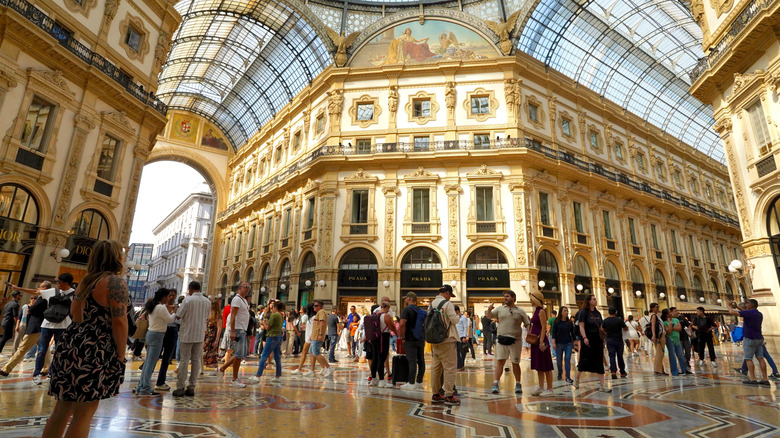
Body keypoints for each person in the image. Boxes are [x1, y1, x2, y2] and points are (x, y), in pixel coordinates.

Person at [42, 240, 129, 438]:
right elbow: (120, 322)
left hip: (71, 343)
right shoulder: (115, 282)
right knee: (84, 413)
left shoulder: (86, 282)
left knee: (61, 410)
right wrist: (120, 356)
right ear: (116, 258)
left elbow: (75, 315)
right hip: (95, 349)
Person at [11, 273, 76, 385]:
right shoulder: (53, 292)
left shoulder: (75, 294)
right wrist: (18, 288)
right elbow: (35, 292)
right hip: (46, 325)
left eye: (59, 282)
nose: (57, 284)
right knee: (41, 350)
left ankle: (51, 372)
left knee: (59, 352)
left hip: (63, 326)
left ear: (66, 283)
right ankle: (37, 375)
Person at [0, 282, 50, 377]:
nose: (38, 289)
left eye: (40, 287)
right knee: (44, 348)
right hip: (40, 327)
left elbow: (33, 309)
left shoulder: (44, 298)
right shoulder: (45, 298)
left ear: (45, 288)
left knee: (22, 348)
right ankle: (47, 367)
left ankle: (6, 369)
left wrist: (30, 309)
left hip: (35, 327)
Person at [487, 290, 530, 395]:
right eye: (504, 296)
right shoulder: (500, 309)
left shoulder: (520, 311)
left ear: (513, 298)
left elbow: (527, 323)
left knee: (515, 362)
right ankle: (495, 383)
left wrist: (528, 334)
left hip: (515, 341)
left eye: (507, 296)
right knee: (500, 361)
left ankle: (518, 384)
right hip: (502, 339)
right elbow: (489, 316)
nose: (505, 298)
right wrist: (489, 309)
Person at [135, 288, 176, 396]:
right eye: (168, 296)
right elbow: (170, 320)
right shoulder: (161, 307)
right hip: (157, 335)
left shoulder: (153, 305)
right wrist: (174, 313)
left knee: (148, 362)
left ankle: (141, 386)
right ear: (163, 297)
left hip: (150, 333)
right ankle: (145, 389)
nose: (168, 298)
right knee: (150, 363)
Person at [173, 281, 210, 397]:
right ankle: (192, 387)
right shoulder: (207, 301)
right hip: (199, 334)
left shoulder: (187, 300)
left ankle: (180, 387)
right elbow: (207, 317)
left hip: (187, 334)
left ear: (190, 289)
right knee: (196, 360)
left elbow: (178, 315)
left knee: (184, 360)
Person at [429, 285, 460, 405]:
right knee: (449, 368)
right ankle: (449, 395)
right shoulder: (447, 304)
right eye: (450, 295)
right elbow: (455, 320)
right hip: (447, 340)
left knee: (436, 368)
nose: (450, 298)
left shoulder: (431, 304)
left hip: (435, 341)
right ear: (446, 293)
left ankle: (436, 394)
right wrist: (457, 314)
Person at [729, 299, 770, 385]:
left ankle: (753, 379)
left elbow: (732, 312)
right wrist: (737, 306)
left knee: (748, 359)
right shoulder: (759, 314)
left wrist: (728, 305)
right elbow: (745, 312)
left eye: (747, 303)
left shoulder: (749, 313)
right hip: (759, 338)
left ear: (751, 305)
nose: (746, 304)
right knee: (760, 358)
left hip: (749, 338)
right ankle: (765, 379)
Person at [575, 294, 611, 392]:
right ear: (589, 301)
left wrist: (603, 339)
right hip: (588, 339)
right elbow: (581, 326)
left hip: (597, 339)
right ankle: (577, 377)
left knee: (599, 360)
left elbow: (600, 327)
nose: (596, 300)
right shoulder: (583, 312)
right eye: (594, 299)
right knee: (585, 359)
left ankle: (602, 385)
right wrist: (585, 337)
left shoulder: (598, 313)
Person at [218, 282, 251, 387]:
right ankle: (234, 379)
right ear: (239, 288)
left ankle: (222, 368)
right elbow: (233, 316)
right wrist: (232, 331)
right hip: (237, 329)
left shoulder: (244, 300)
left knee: (239, 355)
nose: (248, 289)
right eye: (245, 287)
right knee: (239, 355)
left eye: (249, 288)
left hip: (242, 330)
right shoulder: (236, 299)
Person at [249, 301, 285, 383]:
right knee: (277, 357)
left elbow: (268, 328)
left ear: (275, 307)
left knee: (264, 355)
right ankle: (278, 376)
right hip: (278, 336)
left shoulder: (274, 315)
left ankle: (258, 375)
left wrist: (263, 323)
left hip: (272, 337)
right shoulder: (281, 315)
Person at [529, 293, 554, 396]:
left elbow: (544, 327)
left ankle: (550, 389)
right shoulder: (536, 311)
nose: (530, 301)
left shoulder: (541, 311)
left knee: (546, 365)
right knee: (539, 365)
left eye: (531, 299)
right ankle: (540, 387)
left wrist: (541, 341)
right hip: (535, 342)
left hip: (541, 341)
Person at [154, 290, 178, 392]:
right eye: (170, 295)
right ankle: (144, 381)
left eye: (173, 295)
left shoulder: (177, 307)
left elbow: (178, 320)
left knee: (166, 359)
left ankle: (161, 381)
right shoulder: (161, 307)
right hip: (162, 331)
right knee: (155, 357)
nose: (172, 297)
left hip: (172, 331)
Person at [399, 292, 425, 390]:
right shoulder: (421, 310)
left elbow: (402, 324)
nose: (405, 300)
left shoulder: (407, 310)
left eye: (406, 299)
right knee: (421, 360)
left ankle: (411, 383)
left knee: (412, 360)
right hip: (420, 339)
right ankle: (419, 381)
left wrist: (402, 337)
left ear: (409, 299)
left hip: (410, 339)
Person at [310, 300, 334, 378]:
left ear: (320, 306)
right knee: (312, 352)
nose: (314, 307)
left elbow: (322, 323)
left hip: (317, 336)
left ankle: (328, 367)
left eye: (316, 305)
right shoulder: (319, 313)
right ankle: (322, 368)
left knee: (316, 353)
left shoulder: (321, 312)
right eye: (314, 306)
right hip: (314, 336)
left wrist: (320, 334)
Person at [602, 307, 628, 379]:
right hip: (618, 340)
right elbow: (625, 328)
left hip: (610, 340)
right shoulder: (619, 320)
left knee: (612, 356)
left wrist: (607, 333)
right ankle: (622, 372)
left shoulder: (606, 320)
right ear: (615, 312)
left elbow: (602, 329)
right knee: (620, 356)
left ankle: (613, 372)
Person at [551, 306, 574, 383]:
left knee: (567, 359)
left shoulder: (569, 322)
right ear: (561, 312)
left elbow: (573, 333)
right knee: (559, 361)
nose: (566, 312)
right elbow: (553, 333)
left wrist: (575, 342)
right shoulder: (556, 322)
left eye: (567, 311)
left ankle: (568, 376)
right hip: (559, 343)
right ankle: (560, 372)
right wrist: (553, 343)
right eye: (565, 311)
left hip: (568, 343)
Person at [666, 308, 692, 376]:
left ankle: (685, 368)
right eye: (675, 311)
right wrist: (672, 327)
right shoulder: (665, 322)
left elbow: (679, 328)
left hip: (680, 338)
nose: (677, 312)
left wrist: (671, 328)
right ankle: (675, 371)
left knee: (683, 353)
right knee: (673, 355)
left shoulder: (678, 319)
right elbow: (668, 331)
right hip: (671, 339)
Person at [203, 299, 222, 369]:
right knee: (205, 350)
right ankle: (202, 366)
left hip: (213, 336)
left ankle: (214, 367)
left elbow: (219, 329)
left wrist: (217, 340)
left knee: (212, 351)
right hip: (207, 335)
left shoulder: (218, 316)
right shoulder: (209, 315)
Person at [648, 303, 666, 375]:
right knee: (660, 353)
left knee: (660, 352)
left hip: (660, 335)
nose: (658, 308)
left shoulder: (655, 315)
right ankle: (658, 370)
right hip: (660, 335)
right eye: (656, 307)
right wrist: (654, 335)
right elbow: (653, 326)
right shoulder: (654, 316)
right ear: (652, 308)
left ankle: (660, 369)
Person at [455, 306, 468, 371]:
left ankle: (461, 365)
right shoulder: (455, 318)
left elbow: (465, 327)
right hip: (455, 337)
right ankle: (459, 365)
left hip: (461, 337)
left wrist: (464, 337)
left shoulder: (463, 318)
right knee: (456, 352)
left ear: (457, 311)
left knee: (462, 352)